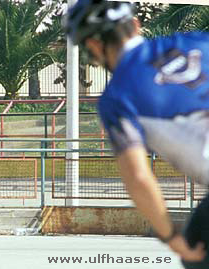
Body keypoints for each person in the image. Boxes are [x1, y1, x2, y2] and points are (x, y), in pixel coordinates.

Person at [65, 0, 209, 267]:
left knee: (196, 249)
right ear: (135, 25)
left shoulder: (118, 97)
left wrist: (171, 236)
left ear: (95, 47)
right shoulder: (198, 42)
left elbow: (139, 179)